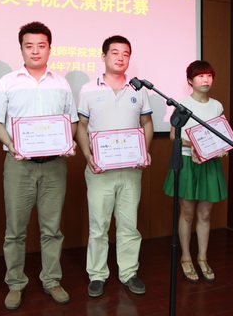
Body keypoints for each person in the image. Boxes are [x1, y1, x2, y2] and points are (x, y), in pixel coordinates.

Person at [0, 21, 78, 310]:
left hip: (54, 166)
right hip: (19, 165)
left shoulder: (61, 83)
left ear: (50, 48)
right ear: (21, 49)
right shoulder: (8, 82)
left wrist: (67, 141)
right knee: (15, 230)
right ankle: (15, 283)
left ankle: (51, 280)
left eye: (41, 46)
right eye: (29, 46)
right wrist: (12, 143)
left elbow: (72, 121)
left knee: (52, 229)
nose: (35, 51)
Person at [75, 35, 153, 298]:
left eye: (126, 53)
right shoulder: (88, 89)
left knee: (129, 225)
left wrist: (144, 151)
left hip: (131, 170)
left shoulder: (139, 90)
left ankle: (128, 272)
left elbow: (147, 123)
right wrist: (88, 156)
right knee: (98, 225)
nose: (120, 57)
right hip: (100, 170)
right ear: (104, 56)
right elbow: (82, 127)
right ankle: (97, 274)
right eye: (115, 52)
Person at [163, 60, 228, 283]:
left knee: (205, 214)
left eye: (209, 75)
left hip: (209, 162)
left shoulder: (217, 106)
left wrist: (221, 147)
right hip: (187, 162)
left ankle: (202, 258)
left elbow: (220, 134)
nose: (205, 79)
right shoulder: (182, 104)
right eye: (200, 76)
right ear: (190, 80)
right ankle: (186, 257)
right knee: (187, 213)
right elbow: (174, 136)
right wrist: (195, 145)